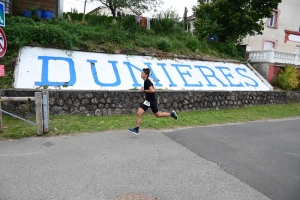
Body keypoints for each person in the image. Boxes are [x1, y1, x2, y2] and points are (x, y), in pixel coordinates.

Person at [129, 68, 178, 135]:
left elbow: (152, 90)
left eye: (142, 73)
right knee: (139, 113)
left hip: (151, 101)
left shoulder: (147, 81)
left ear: (146, 75)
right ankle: (136, 129)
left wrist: (144, 91)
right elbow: (153, 88)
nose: (141, 74)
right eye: (141, 73)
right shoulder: (146, 81)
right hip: (147, 101)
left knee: (158, 115)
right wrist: (147, 95)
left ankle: (172, 114)